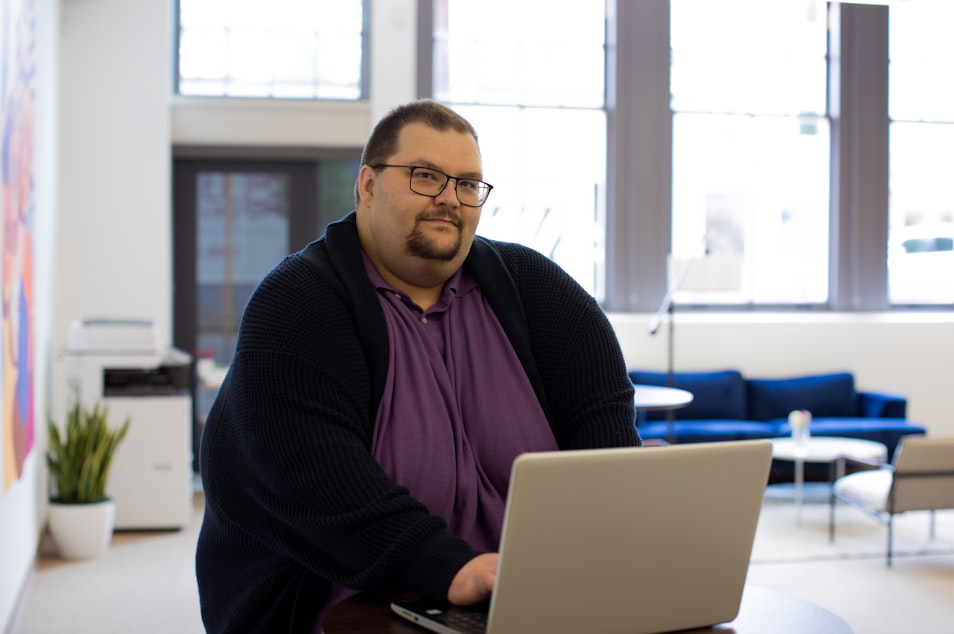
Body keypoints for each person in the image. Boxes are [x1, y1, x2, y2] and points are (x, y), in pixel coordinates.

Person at [195, 99, 640, 633]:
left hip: (522, 602)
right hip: (343, 605)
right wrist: (449, 567)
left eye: (468, 184)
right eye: (425, 176)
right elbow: (315, 484)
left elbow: (607, 447)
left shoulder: (542, 292)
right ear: (367, 185)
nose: (449, 200)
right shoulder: (297, 304)